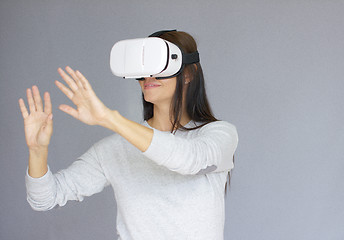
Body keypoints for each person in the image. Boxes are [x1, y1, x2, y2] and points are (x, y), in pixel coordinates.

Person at [18, 31, 238, 240]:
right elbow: (45, 199)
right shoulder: (114, 149)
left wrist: (110, 118)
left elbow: (188, 160)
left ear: (188, 74)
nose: (148, 76)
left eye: (159, 64)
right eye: (144, 66)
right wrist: (38, 151)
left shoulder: (218, 135)